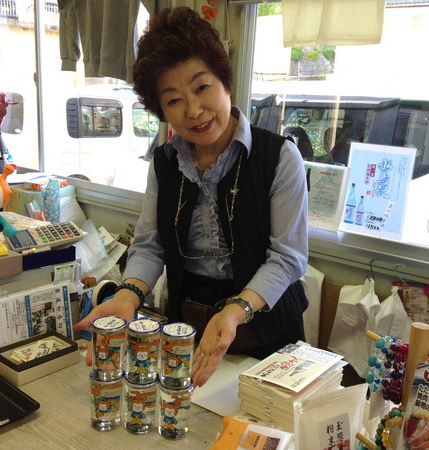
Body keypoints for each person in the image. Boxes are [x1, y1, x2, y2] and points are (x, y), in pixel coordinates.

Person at [74, 7, 309, 387]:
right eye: (174, 100)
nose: (194, 110)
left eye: (202, 88)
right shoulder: (165, 163)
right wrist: (128, 294)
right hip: (189, 332)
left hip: (269, 335)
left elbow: (287, 257)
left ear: (225, 82)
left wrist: (236, 310)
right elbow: (150, 246)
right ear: (161, 109)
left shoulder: (278, 157)